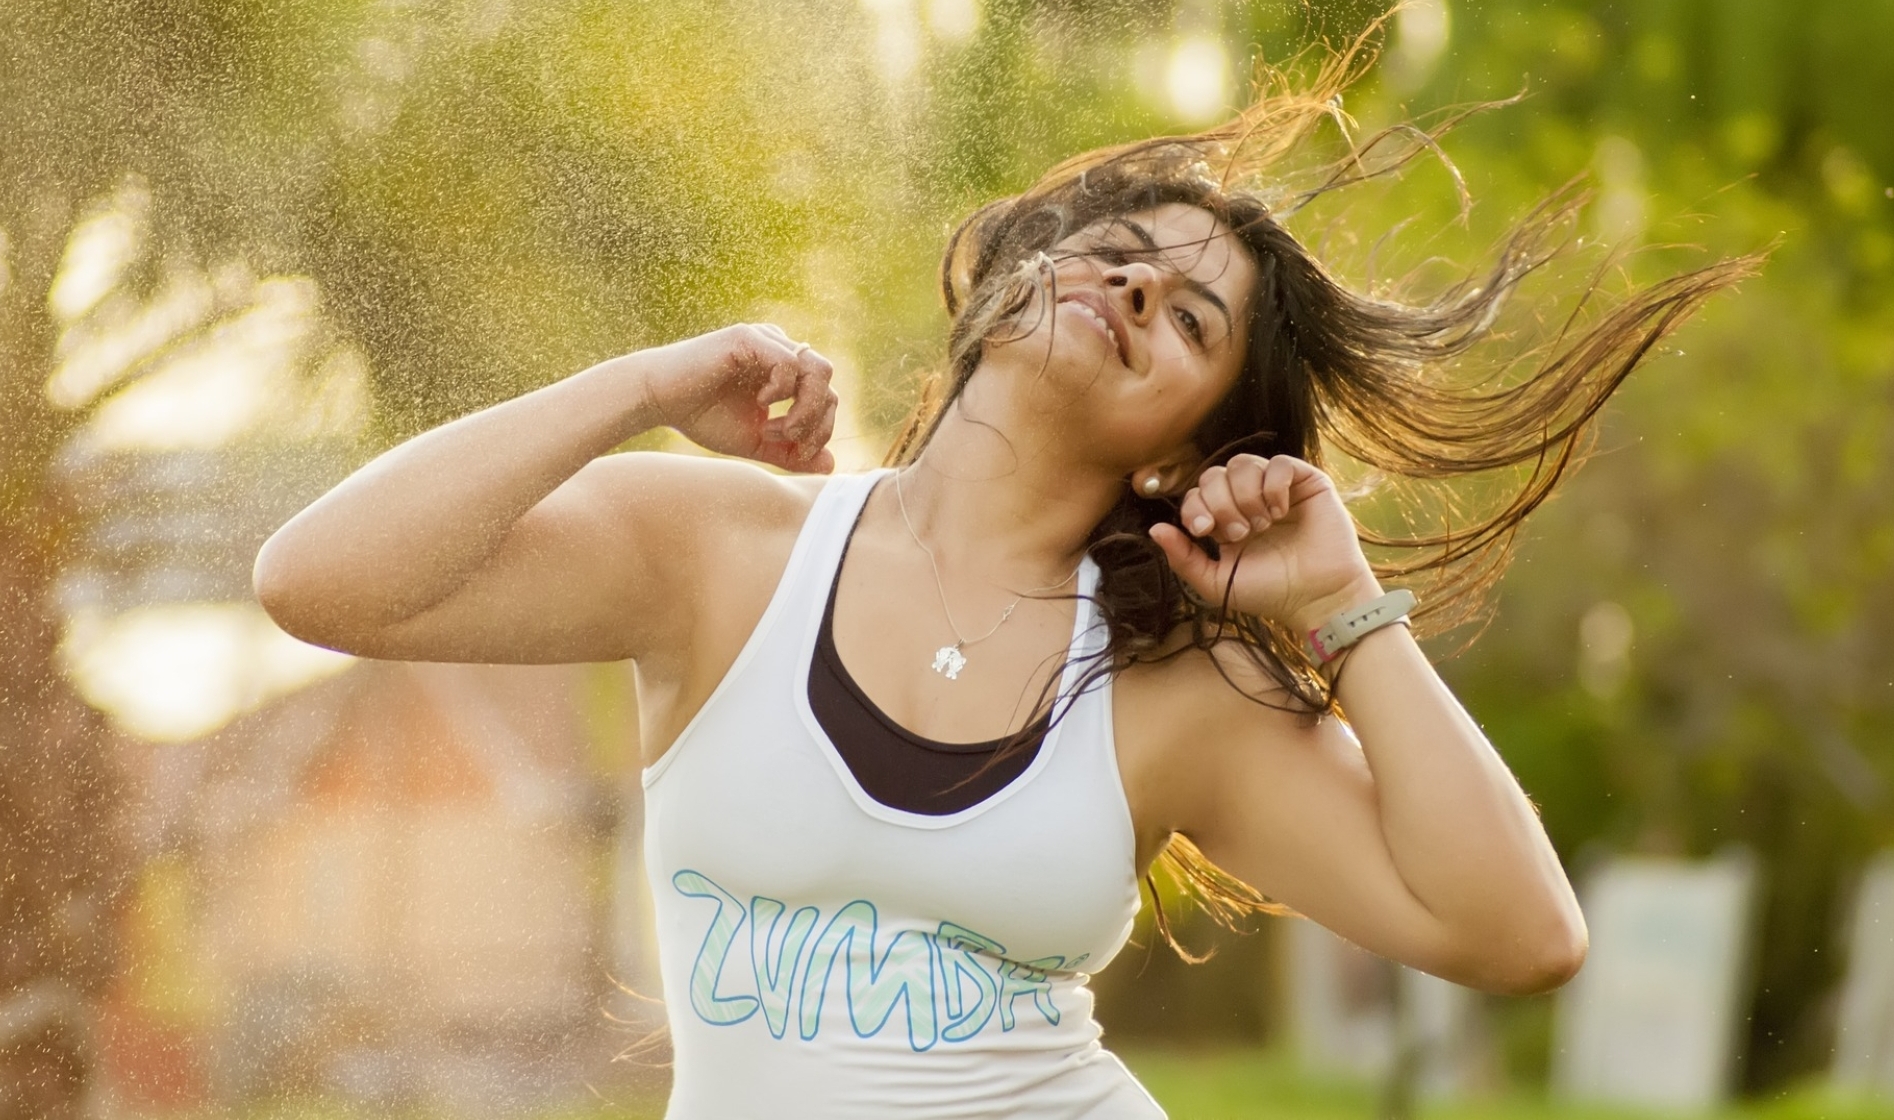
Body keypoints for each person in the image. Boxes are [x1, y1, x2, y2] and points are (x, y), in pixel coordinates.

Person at [253, 52, 1750, 1120]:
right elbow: (320, 583)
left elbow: (1521, 937)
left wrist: (1339, 606)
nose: (1133, 291)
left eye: (1186, 318)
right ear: (1007, 279)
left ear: (1185, 449)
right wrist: (645, 383)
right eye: (1114, 254)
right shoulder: (722, 553)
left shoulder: (1177, 693)